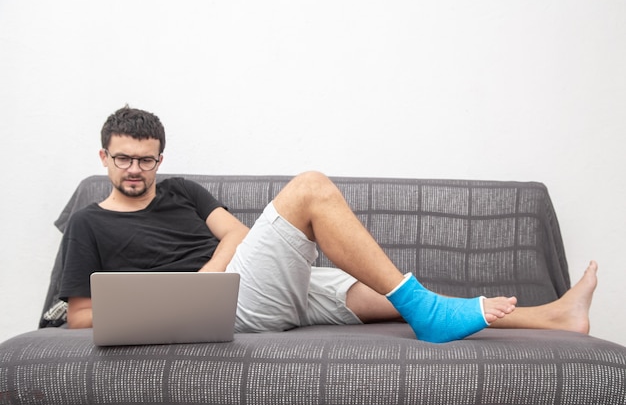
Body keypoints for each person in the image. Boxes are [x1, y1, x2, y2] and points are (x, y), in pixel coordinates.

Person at [59, 106, 598, 343]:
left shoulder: (181, 192)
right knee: (310, 187)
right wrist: (182, 298)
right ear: (104, 157)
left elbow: (238, 236)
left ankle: (555, 317)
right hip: (222, 307)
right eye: (124, 158)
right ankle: (433, 315)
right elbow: (81, 318)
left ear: (159, 160)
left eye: (146, 159)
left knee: (395, 295)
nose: (136, 170)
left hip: (248, 284)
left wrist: (208, 278)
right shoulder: (88, 223)